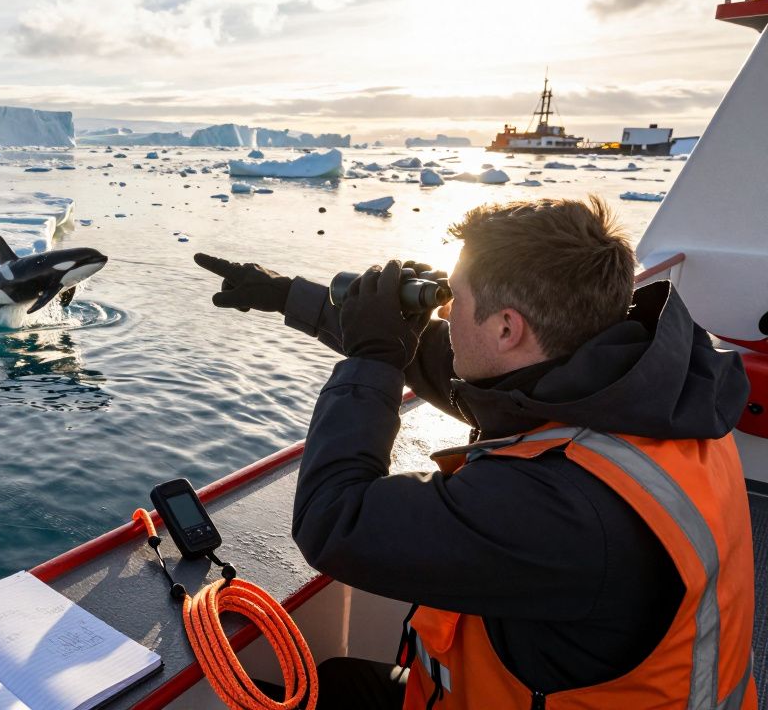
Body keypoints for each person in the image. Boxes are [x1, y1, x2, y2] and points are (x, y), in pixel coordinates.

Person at [196, 196, 756, 709]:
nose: (443, 315)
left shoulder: (561, 508)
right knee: (341, 677)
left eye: (453, 301)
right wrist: (285, 294)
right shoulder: (651, 395)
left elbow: (334, 521)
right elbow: (458, 366)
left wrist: (373, 359)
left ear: (509, 327)